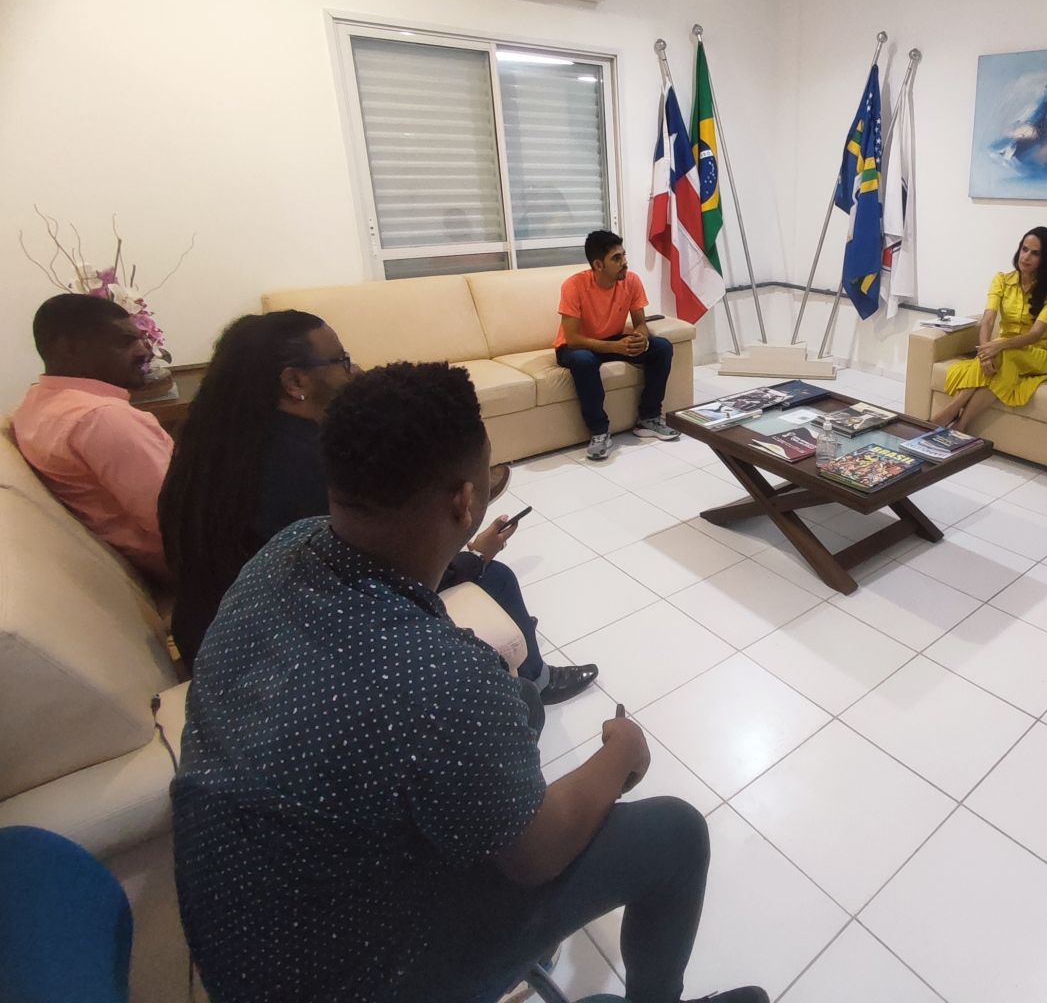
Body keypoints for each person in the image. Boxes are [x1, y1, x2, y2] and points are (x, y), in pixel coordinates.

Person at [172, 362, 767, 1003]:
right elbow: (537, 855)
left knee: (521, 700)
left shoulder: (286, 551)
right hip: (356, 978)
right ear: (465, 500)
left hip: (245, 940)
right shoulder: (439, 678)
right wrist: (621, 753)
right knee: (675, 833)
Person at [157, 311, 597, 704]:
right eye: (342, 360)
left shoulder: (211, 448)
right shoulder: (315, 468)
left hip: (214, 632)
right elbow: (382, 571)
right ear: (295, 383)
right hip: (283, 652)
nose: (356, 370)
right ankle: (536, 681)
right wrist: (475, 556)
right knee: (495, 576)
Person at [12, 293, 171, 578]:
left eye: (141, 339)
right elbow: (180, 518)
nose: (145, 351)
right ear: (70, 348)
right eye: (125, 342)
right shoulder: (101, 418)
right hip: (191, 562)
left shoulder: (34, 404)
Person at [555, 229, 679, 461]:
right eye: (616, 258)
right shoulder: (573, 286)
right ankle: (599, 432)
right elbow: (572, 339)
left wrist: (640, 338)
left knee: (661, 347)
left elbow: (640, 323)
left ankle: (649, 418)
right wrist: (616, 348)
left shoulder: (631, 281)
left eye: (624, 255)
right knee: (584, 360)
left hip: (612, 339)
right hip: (576, 347)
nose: (624, 262)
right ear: (598, 265)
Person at [931, 227, 1047, 431]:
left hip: (1038, 354)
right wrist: (985, 353)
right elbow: (988, 320)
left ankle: (950, 412)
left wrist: (998, 346)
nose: (1026, 257)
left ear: (1045, 259)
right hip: (1003, 351)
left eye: (1035, 253)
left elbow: (1035, 334)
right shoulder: (1002, 280)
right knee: (999, 361)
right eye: (1024, 249)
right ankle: (961, 427)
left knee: (1003, 352)